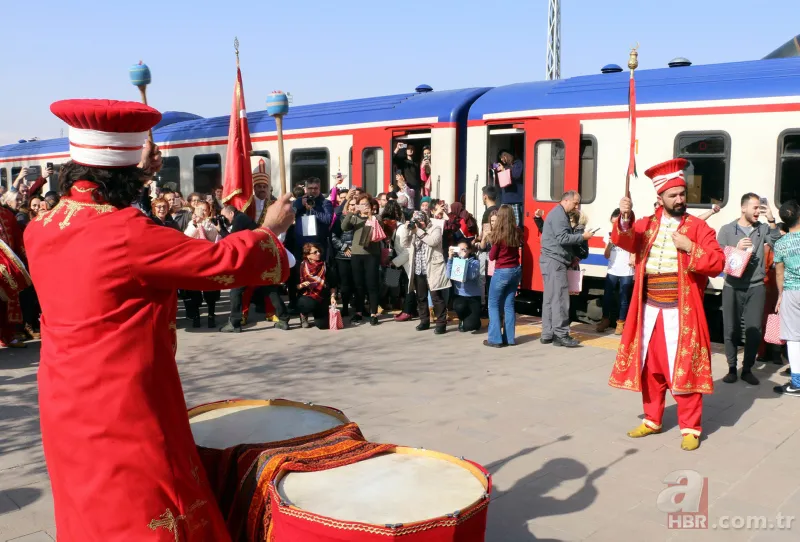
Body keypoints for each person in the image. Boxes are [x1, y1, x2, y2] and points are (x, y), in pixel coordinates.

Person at [25, 98, 295, 540]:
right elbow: (216, 261)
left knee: (88, 500)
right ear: (127, 175)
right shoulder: (127, 233)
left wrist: (135, 171)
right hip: (123, 399)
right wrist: (268, 230)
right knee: (145, 501)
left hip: (63, 396)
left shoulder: (43, 227)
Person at [611, 158, 724, 451]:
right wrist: (624, 217)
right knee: (650, 367)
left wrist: (690, 248)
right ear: (659, 198)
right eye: (673, 195)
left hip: (681, 313)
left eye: (682, 194)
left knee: (684, 367)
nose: (679, 199)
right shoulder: (645, 225)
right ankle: (652, 419)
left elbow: (717, 263)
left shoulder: (698, 228)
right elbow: (624, 240)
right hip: (648, 310)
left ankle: (691, 427)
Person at [717, 193, 781, 385]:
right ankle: (731, 368)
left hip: (756, 286)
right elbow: (718, 259)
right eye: (754, 208)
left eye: (759, 208)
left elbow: (778, 242)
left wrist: (771, 219)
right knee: (731, 329)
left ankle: (747, 369)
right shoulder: (727, 230)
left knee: (754, 329)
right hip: (732, 286)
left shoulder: (762, 228)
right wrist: (736, 249)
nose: (757, 212)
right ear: (743, 208)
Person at [539, 191, 593, 347]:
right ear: (566, 200)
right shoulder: (559, 215)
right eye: (575, 203)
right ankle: (561, 335)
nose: (577, 207)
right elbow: (562, 238)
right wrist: (583, 237)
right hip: (555, 262)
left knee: (550, 299)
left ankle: (547, 333)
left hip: (550, 261)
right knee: (560, 299)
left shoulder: (557, 214)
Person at [399, 210, 451, 334]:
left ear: (426, 219)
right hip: (418, 268)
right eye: (417, 221)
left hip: (432, 268)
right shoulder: (413, 230)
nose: (419, 223)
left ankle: (441, 323)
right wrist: (407, 230)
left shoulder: (435, 228)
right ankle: (424, 321)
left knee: (436, 297)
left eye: (421, 221)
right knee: (421, 297)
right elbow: (404, 243)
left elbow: (433, 241)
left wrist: (418, 230)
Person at [485, 205, 522, 347]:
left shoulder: (499, 234)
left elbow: (492, 256)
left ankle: (495, 339)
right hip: (515, 270)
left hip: (502, 271)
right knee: (509, 304)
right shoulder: (517, 231)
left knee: (493, 304)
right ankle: (510, 338)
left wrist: (490, 238)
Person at [342, 194, 382, 326]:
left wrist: (370, 215)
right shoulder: (355, 218)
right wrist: (351, 212)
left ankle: (373, 313)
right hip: (357, 254)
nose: (364, 207)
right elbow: (344, 227)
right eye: (361, 204)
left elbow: (379, 229)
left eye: (366, 204)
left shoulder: (376, 218)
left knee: (372, 284)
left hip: (372, 255)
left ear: (371, 206)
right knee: (358, 285)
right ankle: (358, 311)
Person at [774, 200, 800, 397]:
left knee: (794, 338)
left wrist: (780, 296)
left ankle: (797, 383)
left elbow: (779, 274)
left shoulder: (781, 244)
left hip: (791, 293)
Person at [598, 209, 635, 334]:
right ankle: (605, 320)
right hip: (612, 269)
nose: (614, 226)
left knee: (623, 297)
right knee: (607, 296)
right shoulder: (608, 235)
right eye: (612, 223)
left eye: (616, 223)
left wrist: (633, 256)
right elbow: (606, 255)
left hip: (627, 270)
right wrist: (609, 244)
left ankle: (621, 323)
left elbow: (635, 248)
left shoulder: (630, 233)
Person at [297, 242, 336, 329]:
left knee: (323, 326)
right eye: (315, 252)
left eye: (319, 251)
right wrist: (301, 285)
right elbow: (294, 287)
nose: (318, 253)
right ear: (308, 255)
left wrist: (333, 297)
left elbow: (333, 284)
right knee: (305, 303)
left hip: (322, 297)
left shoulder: (325, 265)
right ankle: (303, 314)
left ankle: (317, 314)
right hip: (307, 295)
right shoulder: (302, 266)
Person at [447, 240, 482, 332]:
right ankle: (462, 319)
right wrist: (450, 259)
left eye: (464, 249)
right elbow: (448, 275)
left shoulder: (475, 262)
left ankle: (475, 321)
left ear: (470, 250)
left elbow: (471, 276)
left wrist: (464, 261)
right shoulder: (455, 261)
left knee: (472, 326)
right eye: (459, 249)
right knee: (459, 306)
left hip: (473, 297)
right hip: (460, 295)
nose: (462, 252)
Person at [496, 150, 524, 226]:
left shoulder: (518, 163)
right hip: (505, 200)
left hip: (516, 199)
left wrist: (504, 170)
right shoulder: (506, 166)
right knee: (504, 223)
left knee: (516, 224)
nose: (502, 160)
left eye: (502, 158)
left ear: (506, 155)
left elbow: (516, 175)